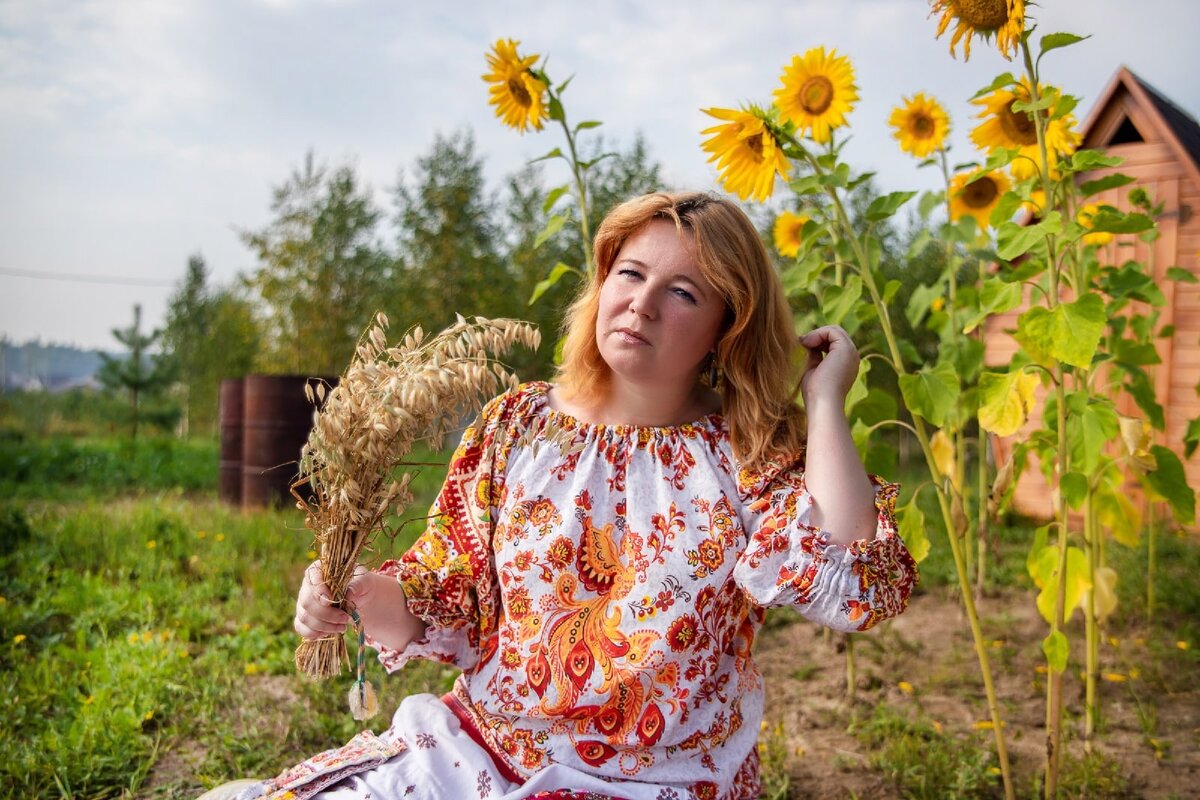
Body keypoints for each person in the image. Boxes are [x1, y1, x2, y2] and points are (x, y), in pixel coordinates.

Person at [231, 191, 918, 800]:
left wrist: (825, 402)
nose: (642, 304)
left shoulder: (743, 453)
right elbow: (447, 594)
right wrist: (351, 592)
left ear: (726, 326)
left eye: (683, 293)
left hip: (661, 779)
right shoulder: (517, 425)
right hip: (485, 754)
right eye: (630, 273)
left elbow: (856, 581)